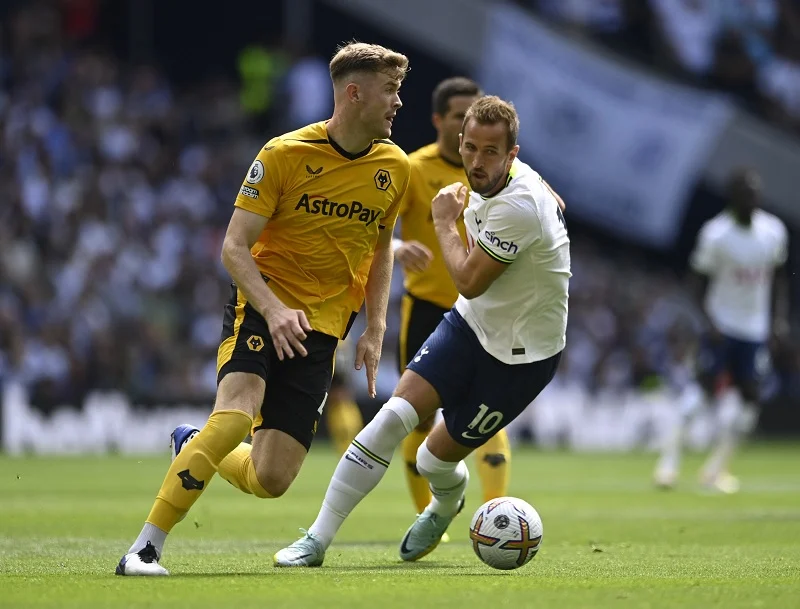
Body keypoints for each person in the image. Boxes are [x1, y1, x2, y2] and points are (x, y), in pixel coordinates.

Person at [115, 42, 411, 576]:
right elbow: (232, 247)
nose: (398, 103)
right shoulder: (284, 154)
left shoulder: (394, 166)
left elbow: (382, 244)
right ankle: (145, 548)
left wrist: (376, 326)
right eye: (390, 91)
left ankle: (190, 443)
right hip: (262, 304)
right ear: (354, 93)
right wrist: (273, 310)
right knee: (232, 417)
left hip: (322, 329)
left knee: (271, 479)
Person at [273, 95, 570, 567]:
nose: (476, 160)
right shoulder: (490, 180)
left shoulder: (520, 206)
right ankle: (315, 539)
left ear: (512, 154)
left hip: (522, 356)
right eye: (470, 147)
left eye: (491, 151)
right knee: (391, 418)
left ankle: (446, 502)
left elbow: (469, 278)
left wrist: (442, 224)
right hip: (471, 324)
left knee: (434, 461)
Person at [392, 77, 513, 516]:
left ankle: (496, 510)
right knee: (416, 417)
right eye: (461, 116)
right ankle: (427, 516)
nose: (469, 124)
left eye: (474, 115)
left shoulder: (497, 169)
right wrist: (396, 248)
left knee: (488, 408)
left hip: (482, 307)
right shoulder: (413, 168)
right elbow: (373, 230)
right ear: (439, 120)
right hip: (426, 309)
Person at [654, 168, 789, 493]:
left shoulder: (773, 231)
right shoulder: (716, 234)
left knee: (749, 401)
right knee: (702, 393)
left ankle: (716, 469)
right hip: (722, 327)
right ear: (734, 198)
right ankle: (667, 465)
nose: (753, 199)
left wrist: (777, 320)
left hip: (753, 331)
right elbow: (695, 282)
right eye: (746, 194)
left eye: (756, 193)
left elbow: (778, 278)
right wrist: (709, 321)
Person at [326, 337, 364, 454]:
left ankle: (349, 450)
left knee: (346, 423)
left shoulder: (342, 340)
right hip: (338, 383)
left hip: (338, 383)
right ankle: (350, 450)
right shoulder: (344, 340)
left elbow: (341, 363)